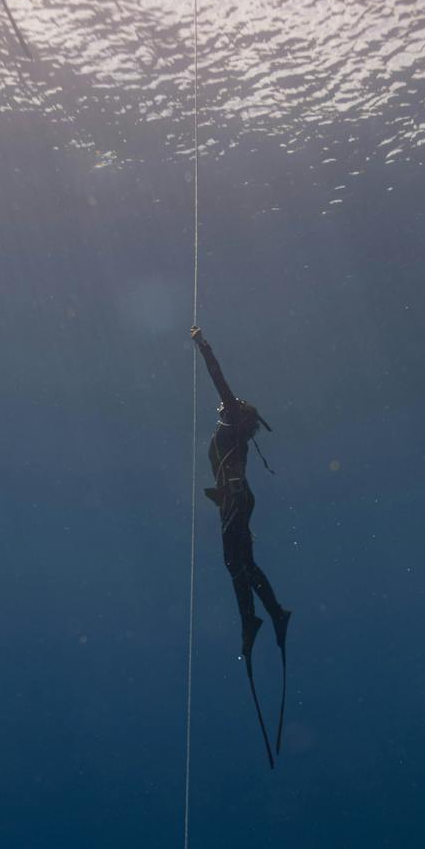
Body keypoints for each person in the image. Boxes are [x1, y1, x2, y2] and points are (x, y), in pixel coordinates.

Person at [191, 326, 291, 765]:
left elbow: (219, 379)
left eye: (230, 405)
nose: (222, 406)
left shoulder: (232, 417)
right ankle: (264, 616)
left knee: (237, 563)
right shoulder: (234, 431)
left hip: (234, 498)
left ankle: (263, 617)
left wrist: (203, 344)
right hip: (233, 499)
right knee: (239, 564)